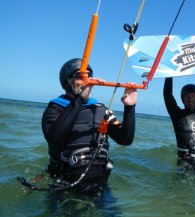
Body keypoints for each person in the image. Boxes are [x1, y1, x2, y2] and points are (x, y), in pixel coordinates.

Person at [42, 58, 137, 194]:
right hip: (64, 183)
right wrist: (79, 99)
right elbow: (53, 137)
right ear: (67, 81)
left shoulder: (100, 110)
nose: (86, 80)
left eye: (89, 76)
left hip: (99, 184)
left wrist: (130, 107)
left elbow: (125, 140)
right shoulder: (55, 109)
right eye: (80, 77)